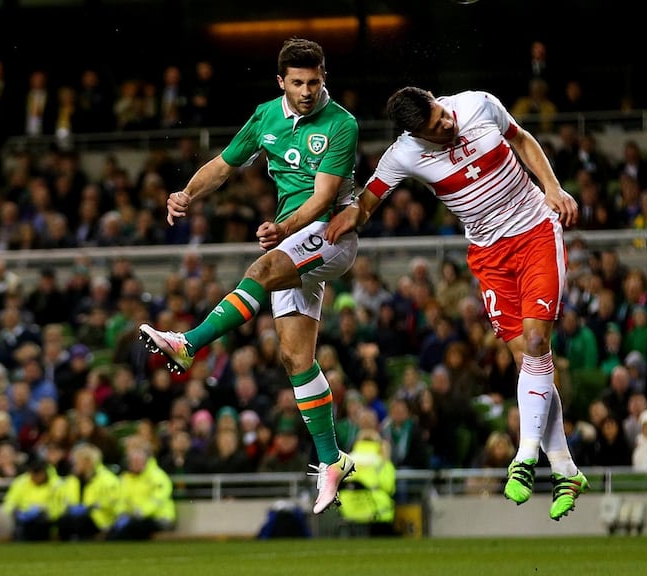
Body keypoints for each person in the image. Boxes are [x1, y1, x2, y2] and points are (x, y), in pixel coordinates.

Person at [326, 86, 588, 521]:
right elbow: (367, 204)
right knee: (527, 357)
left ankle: (523, 458)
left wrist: (553, 189)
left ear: (435, 98)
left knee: (538, 341)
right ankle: (565, 468)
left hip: (535, 230)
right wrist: (336, 217)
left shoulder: (477, 103)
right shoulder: (403, 154)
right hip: (487, 253)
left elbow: (520, 138)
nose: (446, 125)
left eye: (441, 115)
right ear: (416, 136)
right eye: (434, 129)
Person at [137, 38, 359, 515]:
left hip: (331, 232)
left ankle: (189, 342)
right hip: (292, 240)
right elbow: (223, 166)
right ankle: (331, 460)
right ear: (281, 82)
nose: (306, 91)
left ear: (325, 77)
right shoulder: (265, 116)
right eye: (297, 83)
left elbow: (322, 199)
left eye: (314, 82)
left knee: (261, 269)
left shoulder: (341, 124)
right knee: (295, 358)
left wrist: (282, 228)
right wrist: (187, 193)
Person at [56, 443, 120, 541]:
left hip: (100, 518)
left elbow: (113, 502)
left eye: (77, 461)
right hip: (77, 516)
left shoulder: (107, 479)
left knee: (81, 520)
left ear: (88, 462)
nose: (75, 464)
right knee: (63, 520)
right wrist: (70, 508)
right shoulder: (72, 480)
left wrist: (91, 507)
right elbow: (63, 499)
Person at [2, 459, 60, 541]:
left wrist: (42, 510)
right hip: (24, 516)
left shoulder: (55, 484)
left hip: (45, 518)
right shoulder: (21, 482)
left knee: (41, 522)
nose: (34, 478)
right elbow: (9, 501)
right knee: (21, 528)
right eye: (32, 474)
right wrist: (17, 512)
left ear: (44, 473)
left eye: (38, 474)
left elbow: (59, 506)